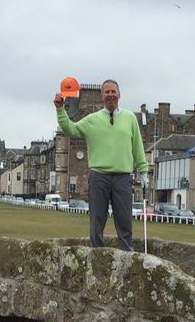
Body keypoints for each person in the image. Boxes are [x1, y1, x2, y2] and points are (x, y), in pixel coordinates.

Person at [54, 79, 148, 251]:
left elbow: (137, 146)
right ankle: (97, 256)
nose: (110, 95)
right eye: (107, 92)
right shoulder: (92, 120)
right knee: (97, 221)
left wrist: (143, 170)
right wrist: (60, 109)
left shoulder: (130, 119)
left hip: (123, 177)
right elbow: (70, 129)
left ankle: (127, 256)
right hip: (99, 176)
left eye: (113, 91)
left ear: (119, 94)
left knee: (125, 222)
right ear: (102, 96)